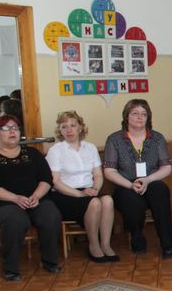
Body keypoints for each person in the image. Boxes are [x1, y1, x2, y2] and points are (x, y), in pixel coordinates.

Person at [0, 115, 63, 281]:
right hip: (0, 205)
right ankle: (11, 268)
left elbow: (46, 179)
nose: (12, 131)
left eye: (15, 128)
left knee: (50, 214)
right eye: (6, 128)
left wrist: (36, 196)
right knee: (16, 219)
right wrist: (15, 198)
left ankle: (50, 261)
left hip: (34, 200)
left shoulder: (32, 153)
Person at [104, 99, 172, 258]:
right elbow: (109, 171)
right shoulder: (114, 139)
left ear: (148, 117)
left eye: (144, 114)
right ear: (126, 116)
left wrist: (147, 180)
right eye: (135, 113)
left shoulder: (157, 138)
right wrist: (130, 185)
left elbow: (167, 167)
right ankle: (137, 239)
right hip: (125, 185)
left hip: (151, 182)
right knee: (131, 201)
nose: (139, 117)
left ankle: (167, 244)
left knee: (161, 191)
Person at [45, 111, 118, 263]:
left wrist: (95, 190)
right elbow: (55, 182)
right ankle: (93, 246)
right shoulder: (55, 150)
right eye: (64, 127)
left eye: (73, 125)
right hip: (65, 194)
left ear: (80, 128)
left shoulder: (90, 147)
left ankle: (106, 245)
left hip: (89, 190)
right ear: (60, 131)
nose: (69, 130)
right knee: (95, 203)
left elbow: (98, 175)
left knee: (108, 200)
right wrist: (79, 194)